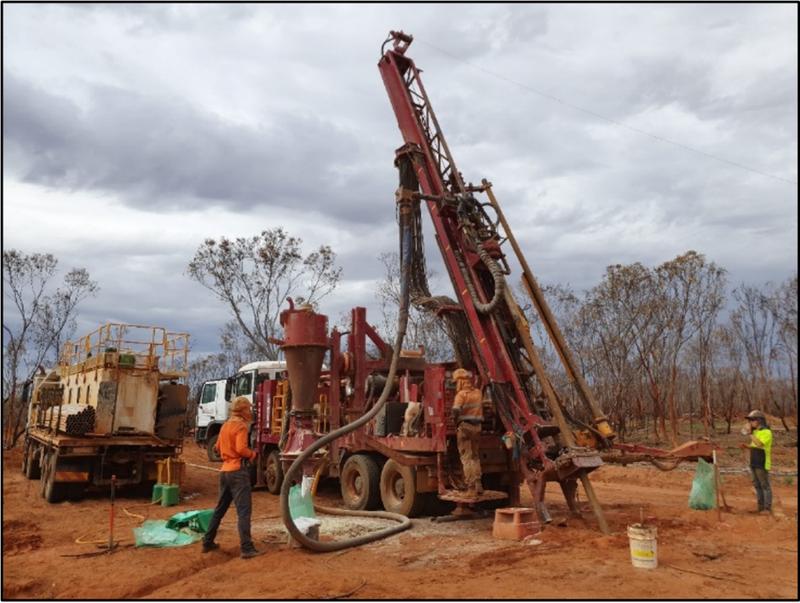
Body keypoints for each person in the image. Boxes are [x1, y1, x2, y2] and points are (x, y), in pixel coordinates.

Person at [201, 396, 265, 558]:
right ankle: (247, 548)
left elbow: (217, 447)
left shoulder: (225, 426)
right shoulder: (241, 427)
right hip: (238, 471)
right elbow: (241, 449)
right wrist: (253, 455)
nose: (250, 411)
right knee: (244, 511)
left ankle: (208, 542)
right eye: (248, 409)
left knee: (220, 509)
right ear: (243, 410)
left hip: (225, 471)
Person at [451, 368, 483, 498]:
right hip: (477, 429)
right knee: (475, 456)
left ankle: (470, 488)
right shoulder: (478, 393)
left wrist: (455, 423)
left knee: (466, 458)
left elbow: (455, 411)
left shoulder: (461, 395)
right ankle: (479, 485)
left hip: (465, 429)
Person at [740, 409, 773, 515]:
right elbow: (754, 446)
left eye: (752, 420)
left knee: (764, 485)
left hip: (762, 462)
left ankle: (767, 509)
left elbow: (759, 444)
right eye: (749, 420)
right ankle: (761, 507)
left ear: (759, 420)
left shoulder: (766, 432)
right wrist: (746, 446)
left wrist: (749, 433)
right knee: (756, 485)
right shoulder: (756, 432)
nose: (750, 422)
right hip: (754, 460)